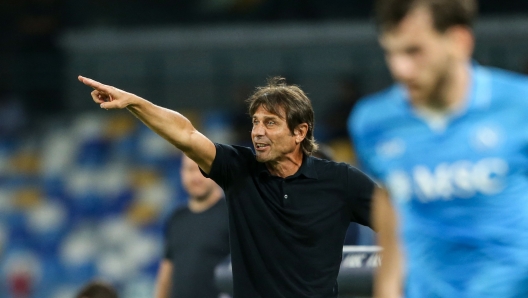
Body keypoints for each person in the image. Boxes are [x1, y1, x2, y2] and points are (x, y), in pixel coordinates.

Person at [78, 75, 378, 298]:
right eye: (255, 122)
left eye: (270, 123)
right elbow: (187, 134)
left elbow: (397, 219)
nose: (258, 132)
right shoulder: (240, 168)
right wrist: (134, 102)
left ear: (300, 132)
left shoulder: (341, 181)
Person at [348, 0, 528, 297]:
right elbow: (391, 213)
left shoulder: (519, 106)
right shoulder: (373, 123)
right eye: (390, 52)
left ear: (459, 41)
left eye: (414, 51)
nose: (400, 69)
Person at [155, 155, 229, 298]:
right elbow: (166, 275)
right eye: (190, 170)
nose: (196, 177)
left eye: (202, 169)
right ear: (181, 173)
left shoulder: (232, 214)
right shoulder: (176, 217)